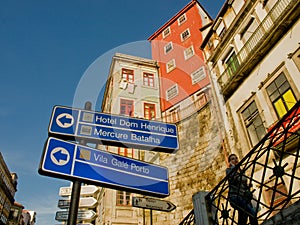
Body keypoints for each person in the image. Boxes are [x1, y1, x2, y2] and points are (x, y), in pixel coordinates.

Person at [226, 154, 258, 225]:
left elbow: (242, 183)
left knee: (243, 216)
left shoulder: (241, 171)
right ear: (230, 162)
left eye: (236, 158)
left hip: (243, 196)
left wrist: (248, 186)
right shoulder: (229, 170)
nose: (235, 160)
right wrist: (233, 167)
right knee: (252, 213)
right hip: (235, 196)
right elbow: (233, 180)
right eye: (232, 159)